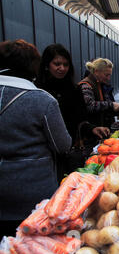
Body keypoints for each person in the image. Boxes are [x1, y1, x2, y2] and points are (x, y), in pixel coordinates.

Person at [0, 40, 72, 234]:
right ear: (35, 66)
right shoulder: (42, 100)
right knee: (31, 246)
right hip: (33, 191)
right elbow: (63, 145)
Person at [35, 44, 110, 179]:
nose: (62, 68)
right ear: (47, 65)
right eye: (57, 64)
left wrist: (92, 128)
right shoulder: (37, 90)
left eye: (65, 64)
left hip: (70, 151)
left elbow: (80, 118)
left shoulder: (74, 89)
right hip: (44, 155)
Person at [78, 58, 119, 131]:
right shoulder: (86, 85)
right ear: (96, 72)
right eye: (106, 75)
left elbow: (105, 103)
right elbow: (90, 106)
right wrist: (111, 105)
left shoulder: (100, 83)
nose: (108, 78)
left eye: (109, 75)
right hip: (92, 132)